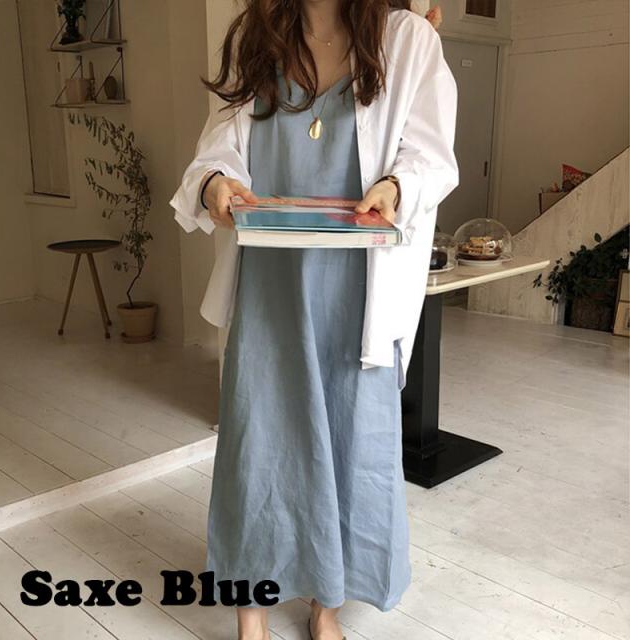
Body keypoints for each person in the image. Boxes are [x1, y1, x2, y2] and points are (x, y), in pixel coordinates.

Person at [169, 2, 458, 639]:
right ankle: (251, 613)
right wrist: (215, 184)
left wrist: (397, 186)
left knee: (352, 443)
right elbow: (216, 150)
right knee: (259, 443)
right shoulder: (258, 38)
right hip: (270, 286)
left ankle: (325, 604)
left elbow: (433, 156)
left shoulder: (406, 40)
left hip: (360, 289)